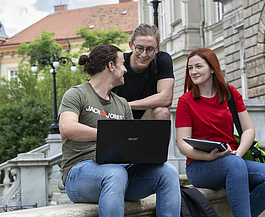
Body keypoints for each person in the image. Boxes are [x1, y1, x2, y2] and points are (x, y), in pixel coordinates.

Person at [59, 44, 180, 217]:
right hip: (79, 173)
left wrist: (146, 151)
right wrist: (109, 135)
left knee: (167, 172)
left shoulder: (122, 104)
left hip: (119, 171)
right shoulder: (76, 94)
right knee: (115, 174)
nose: (125, 70)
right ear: (111, 66)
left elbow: (129, 146)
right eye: (122, 64)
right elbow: (67, 128)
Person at [175, 47, 265, 216]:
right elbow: (182, 144)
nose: (193, 72)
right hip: (199, 165)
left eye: (198, 66)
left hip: (232, 159)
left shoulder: (230, 93)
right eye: (190, 68)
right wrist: (209, 156)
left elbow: (248, 129)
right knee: (234, 165)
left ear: (212, 68)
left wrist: (239, 153)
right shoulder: (185, 101)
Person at [113, 23, 174, 120]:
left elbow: (166, 98)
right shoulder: (118, 63)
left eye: (150, 49)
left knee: (162, 112)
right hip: (118, 116)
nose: (144, 54)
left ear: (157, 48)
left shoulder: (162, 60)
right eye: (139, 48)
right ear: (131, 45)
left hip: (146, 116)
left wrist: (126, 105)